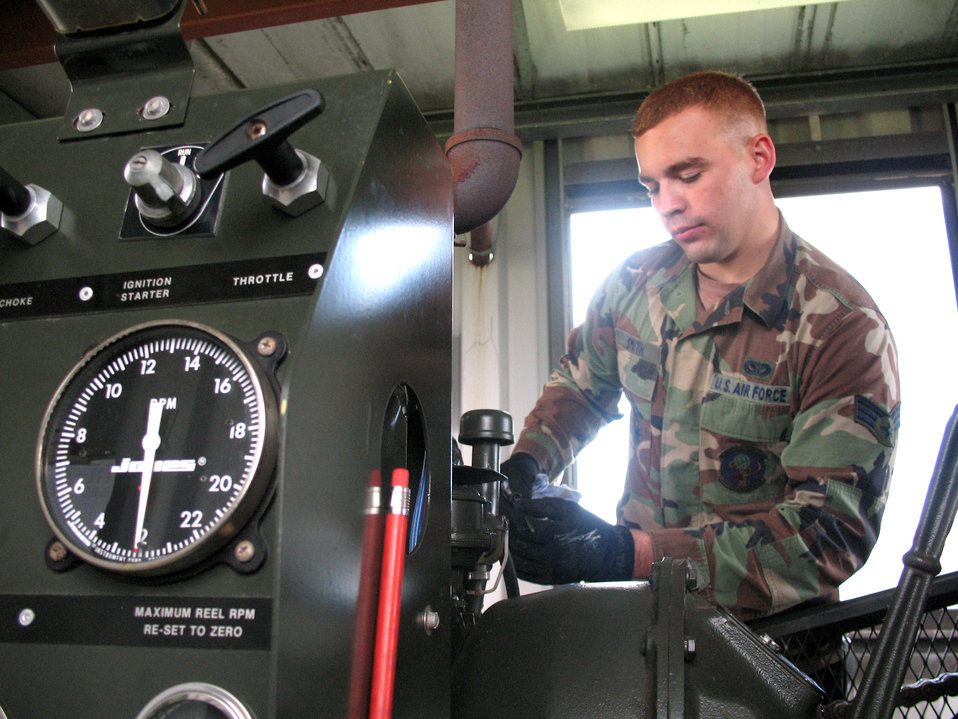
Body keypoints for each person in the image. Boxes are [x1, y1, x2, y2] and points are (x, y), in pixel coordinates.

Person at [500, 70, 900, 622]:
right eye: (651, 186)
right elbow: (583, 385)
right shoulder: (633, 285)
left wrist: (629, 555)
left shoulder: (840, 327)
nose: (667, 204)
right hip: (645, 629)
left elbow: (830, 533)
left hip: (771, 647)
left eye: (688, 175)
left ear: (759, 159)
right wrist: (527, 462)